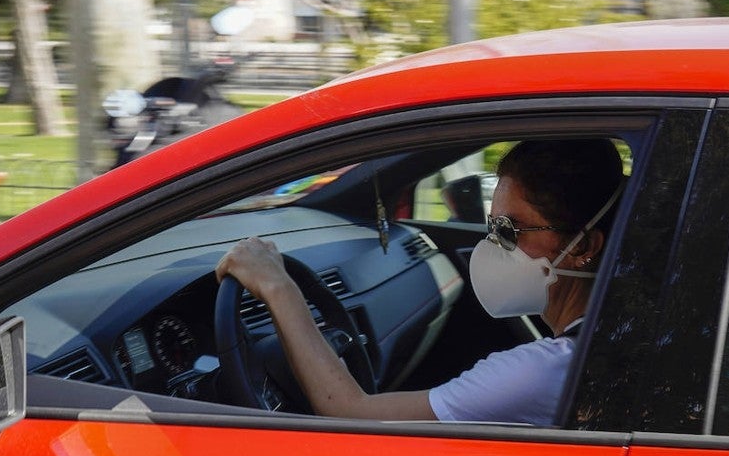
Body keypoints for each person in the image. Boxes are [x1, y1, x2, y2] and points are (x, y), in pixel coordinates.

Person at [215, 138, 625, 425]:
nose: (493, 244)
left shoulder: (542, 373)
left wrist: (279, 288)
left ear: (582, 244)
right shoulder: (614, 333)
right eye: (492, 225)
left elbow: (349, 412)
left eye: (510, 228)